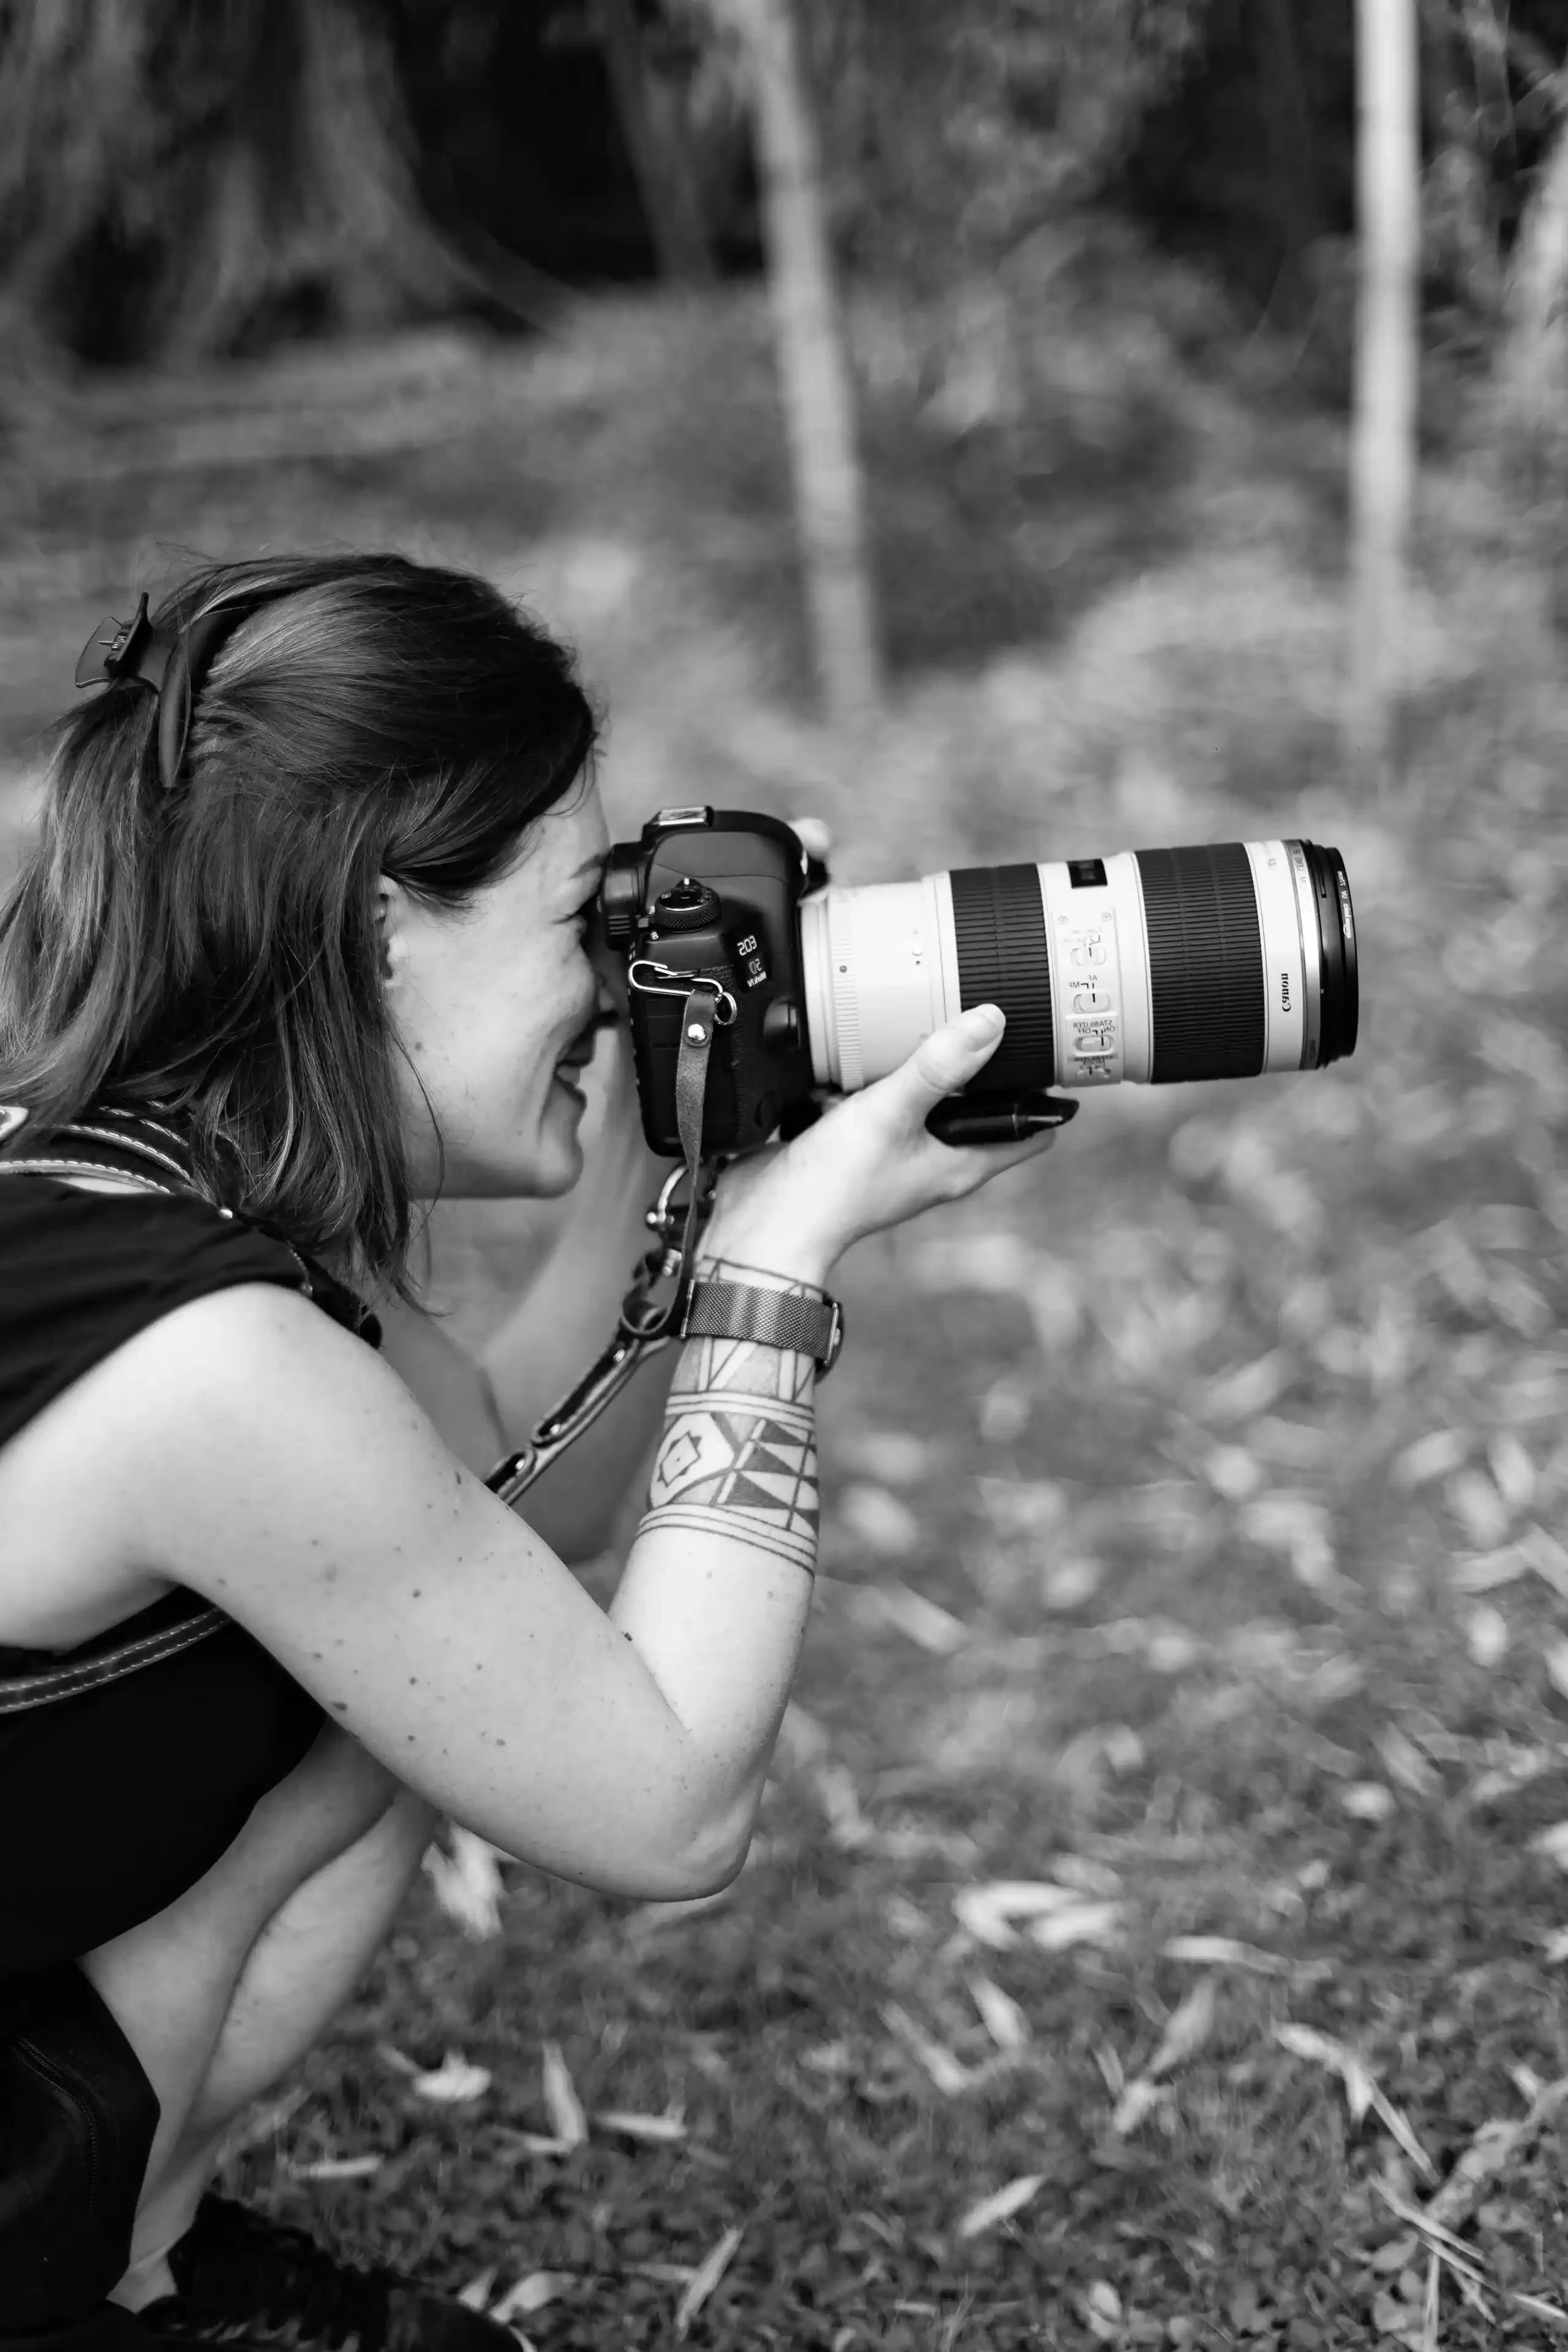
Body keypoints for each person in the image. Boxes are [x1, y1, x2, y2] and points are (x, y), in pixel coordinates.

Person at [0, 554, 1056, 2352]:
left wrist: (686, 1138)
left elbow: (501, 1500)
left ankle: (128, 2262)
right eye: (585, 917)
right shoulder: (216, 1369)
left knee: (410, 1674)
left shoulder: (120, 1176)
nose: (618, 969)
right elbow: (667, 1807)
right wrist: (770, 1273)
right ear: (379, 922)